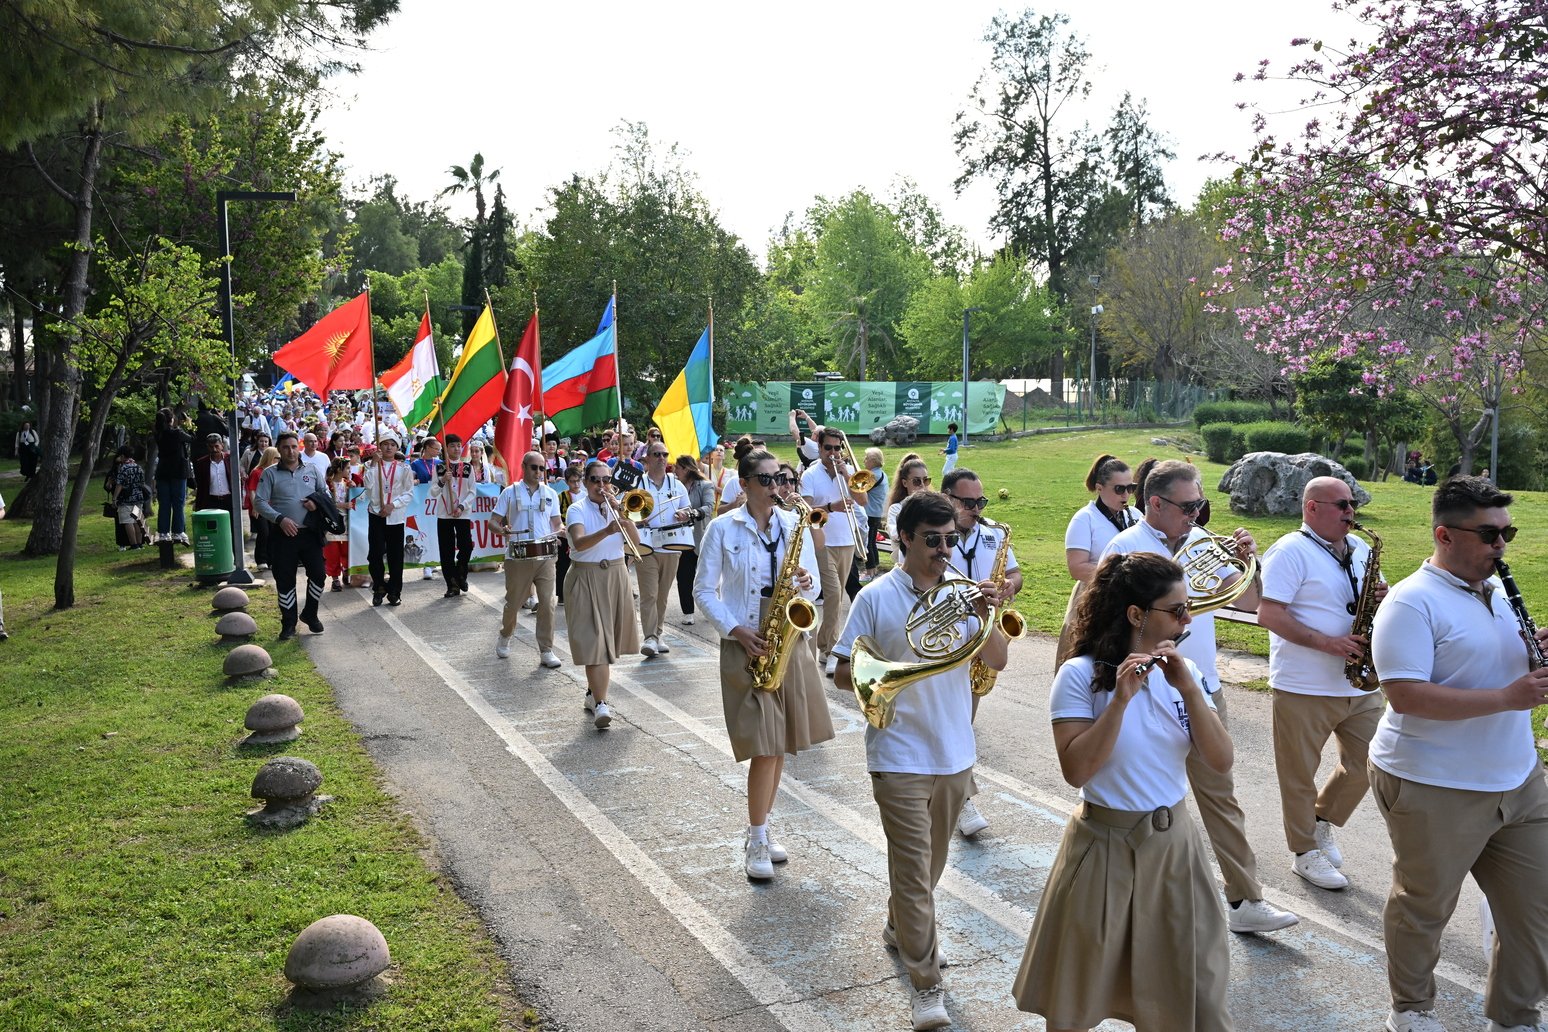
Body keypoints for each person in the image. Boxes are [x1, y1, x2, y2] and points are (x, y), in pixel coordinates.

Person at [1012, 552, 1234, 1032]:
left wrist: (1190, 691)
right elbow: (1076, 769)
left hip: (1175, 848)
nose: (1187, 619)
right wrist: (1119, 702)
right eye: (1176, 610)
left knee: (1198, 987)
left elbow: (1220, 760)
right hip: (1105, 846)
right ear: (1137, 614)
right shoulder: (1080, 675)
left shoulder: (1186, 674)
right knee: (1077, 992)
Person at [1369, 476, 1548, 1032]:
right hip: (1434, 781)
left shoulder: (1496, 592)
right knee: (1424, 906)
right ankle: (1411, 1011)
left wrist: (1532, 653)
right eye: (1489, 535)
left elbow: (1484, 662)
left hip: (1517, 777)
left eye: (1507, 533)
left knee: (1535, 908)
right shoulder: (1410, 602)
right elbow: (1406, 695)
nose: (1501, 546)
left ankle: (1514, 1015)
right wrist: (1508, 697)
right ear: (1444, 535)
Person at [833, 491, 1009, 1032]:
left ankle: (899, 927)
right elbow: (842, 673)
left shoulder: (963, 593)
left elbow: (997, 660)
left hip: (954, 752)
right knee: (913, 871)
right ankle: (926, 984)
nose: (943, 550)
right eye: (932, 540)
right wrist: (890, 671)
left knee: (929, 868)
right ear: (904, 539)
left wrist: (989, 615)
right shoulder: (875, 597)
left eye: (950, 540)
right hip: (898, 753)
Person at [1101, 458, 1298, 935]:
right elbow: (1103, 620)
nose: (1196, 514)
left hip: (1201, 685)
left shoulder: (1203, 542)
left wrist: (1248, 563)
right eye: (1188, 506)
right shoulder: (1124, 548)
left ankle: (1246, 899)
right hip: (1145, 690)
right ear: (1155, 503)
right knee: (1142, 796)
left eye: (1200, 505)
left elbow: (1250, 602)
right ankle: (1129, 902)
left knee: (1220, 795)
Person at [694, 449, 834, 880]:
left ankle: (762, 826)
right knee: (764, 746)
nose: (778, 487)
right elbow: (704, 591)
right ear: (745, 484)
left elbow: (811, 590)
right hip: (747, 643)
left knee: (779, 744)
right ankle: (756, 837)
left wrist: (805, 584)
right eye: (768, 479)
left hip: (787, 641)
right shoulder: (722, 528)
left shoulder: (794, 524)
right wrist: (736, 630)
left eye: (782, 479)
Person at [1256, 476, 1384, 893]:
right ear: (1312, 508)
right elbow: (1269, 614)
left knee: (1373, 763)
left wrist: (1380, 598)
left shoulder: (1360, 547)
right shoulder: (1289, 551)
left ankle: (1321, 819)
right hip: (1304, 684)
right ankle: (1304, 851)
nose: (1351, 511)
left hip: (1358, 682)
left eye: (1352, 504)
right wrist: (1327, 643)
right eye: (1341, 504)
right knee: (1299, 775)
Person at [942, 467, 1025, 839]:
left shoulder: (994, 533)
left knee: (963, 723)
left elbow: (1016, 573)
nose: (976, 509)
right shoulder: (935, 535)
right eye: (968, 502)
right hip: (944, 635)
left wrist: (1009, 586)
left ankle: (956, 795)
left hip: (983, 634)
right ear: (948, 498)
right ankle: (961, 800)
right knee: (951, 722)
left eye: (981, 501)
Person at [564, 459, 643, 728]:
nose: (601, 485)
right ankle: (601, 704)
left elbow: (636, 543)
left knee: (607, 641)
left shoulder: (617, 507)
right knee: (595, 643)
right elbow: (578, 542)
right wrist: (607, 530)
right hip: (586, 576)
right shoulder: (576, 509)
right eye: (595, 480)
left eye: (606, 480)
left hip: (616, 574)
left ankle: (592, 693)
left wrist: (623, 515)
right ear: (585, 483)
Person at [1057, 454, 1139, 667]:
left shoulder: (1135, 515)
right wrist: (1124, 576)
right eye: (1119, 489)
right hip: (1094, 599)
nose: (1126, 495)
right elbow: (1077, 568)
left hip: (1130, 600)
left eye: (1131, 488)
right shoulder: (1084, 518)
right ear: (1099, 488)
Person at [801, 427, 867, 678]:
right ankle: (831, 650)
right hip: (822, 542)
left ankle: (823, 643)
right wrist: (831, 507)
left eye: (837, 448)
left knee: (835, 599)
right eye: (828, 448)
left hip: (847, 540)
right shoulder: (810, 474)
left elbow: (863, 501)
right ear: (819, 448)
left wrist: (847, 476)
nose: (833, 453)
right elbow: (805, 509)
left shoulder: (847, 471)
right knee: (833, 593)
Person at [490, 450, 563, 669]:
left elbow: (557, 523)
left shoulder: (551, 493)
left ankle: (546, 649)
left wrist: (560, 531)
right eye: (534, 467)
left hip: (545, 555)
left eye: (542, 468)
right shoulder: (509, 492)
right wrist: (502, 530)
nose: (538, 472)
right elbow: (492, 522)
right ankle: (505, 634)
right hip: (518, 556)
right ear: (523, 467)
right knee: (513, 604)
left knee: (547, 603)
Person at [254, 432, 327, 640]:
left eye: (294, 446)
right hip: (283, 535)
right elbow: (259, 502)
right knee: (285, 580)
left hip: (310, 533)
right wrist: (280, 519)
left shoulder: (312, 470)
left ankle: (310, 613)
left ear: (299, 447)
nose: (291, 451)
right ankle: (288, 624)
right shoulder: (269, 473)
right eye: (286, 447)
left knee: (319, 575)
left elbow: (325, 494)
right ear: (279, 449)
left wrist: (316, 504)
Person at [634, 440, 689, 657]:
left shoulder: (676, 484)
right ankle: (650, 637)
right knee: (649, 593)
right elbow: (625, 511)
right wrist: (638, 519)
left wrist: (684, 514)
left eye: (664, 454)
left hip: (671, 544)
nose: (661, 458)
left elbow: (687, 507)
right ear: (647, 458)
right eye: (656, 454)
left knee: (662, 595)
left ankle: (658, 633)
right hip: (646, 545)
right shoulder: (638, 483)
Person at [362, 435, 414, 607]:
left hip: (395, 516)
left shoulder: (404, 468)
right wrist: (373, 464)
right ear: (380, 447)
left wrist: (393, 505)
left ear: (397, 448)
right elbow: (368, 487)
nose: (389, 448)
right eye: (385, 444)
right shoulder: (371, 466)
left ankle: (394, 591)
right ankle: (379, 587)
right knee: (375, 554)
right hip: (376, 514)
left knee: (396, 556)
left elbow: (408, 493)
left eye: (392, 445)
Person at [673, 455, 718, 627]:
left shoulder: (705, 485)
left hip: (701, 537)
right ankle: (688, 612)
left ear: (686, 469)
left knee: (707, 577)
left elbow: (709, 507)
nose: (675, 471)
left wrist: (691, 513)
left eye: (677, 468)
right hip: (682, 538)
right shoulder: (675, 486)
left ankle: (710, 609)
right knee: (684, 576)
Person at [435, 434, 476, 598]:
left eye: (459, 445)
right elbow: (432, 492)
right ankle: (451, 584)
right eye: (452, 446)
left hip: (462, 514)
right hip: (444, 514)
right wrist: (442, 480)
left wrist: (461, 506)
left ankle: (461, 574)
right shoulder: (439, 468)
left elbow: (472, 491)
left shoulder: (467, 467)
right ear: (446, 449)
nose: (456, 449)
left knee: (466, 546)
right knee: (446, 550)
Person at [153, 406, 194, 545]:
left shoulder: (158, 434)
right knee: (178, 503)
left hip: (162, 471)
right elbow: (192, 439)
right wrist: (189, 424)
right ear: (171, 420)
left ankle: (163, 533)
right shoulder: (177, 433)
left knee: (164, 503)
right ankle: (178, 531)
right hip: (178, 471)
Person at [323, 457, 356, 592]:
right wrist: (343, 505)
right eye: (347, 468)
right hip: (332, 522)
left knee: (347, 549)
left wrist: (354, 489)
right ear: (338, 469)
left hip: (347, 521)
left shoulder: (348, 484)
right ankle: (335, 578)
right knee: (332, 551)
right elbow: (325, 503)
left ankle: (347, 571)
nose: (349, 471)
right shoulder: (327, 485)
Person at [245, 446, 279, 571]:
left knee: (272, 533)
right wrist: (255, 507)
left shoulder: (275, 471)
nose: (278, 460)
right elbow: (252, 490)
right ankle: (261, 560)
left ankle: (271, 560)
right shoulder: (257, 472)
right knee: (264, 533)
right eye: (276, 458)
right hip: (260, 507)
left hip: (272, 508)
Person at [555, 464, 585, 605]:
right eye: (573, 481)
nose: (576, 484)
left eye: (578, 481)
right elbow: (556, 516)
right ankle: (561, 594)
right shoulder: (561, 497)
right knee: (562, 564)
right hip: (565, 534)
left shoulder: (586, 496)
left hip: (582, 534)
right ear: (567, 482)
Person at [112, 444, 150, 549]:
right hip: (138, 497)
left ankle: (134, 544)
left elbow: (119, 484)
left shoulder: (123, 468)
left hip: (126, 499)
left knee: (128, 521)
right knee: (137, 521)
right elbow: (142, 482)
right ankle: (139, 543)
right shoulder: (138, 467)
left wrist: (115, 498)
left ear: (122, 456)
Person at [861, 447, 889, 584]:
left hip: (870, 513)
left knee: (867, 543)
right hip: (875, 513)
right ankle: (874, 570)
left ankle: (869, 572)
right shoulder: (881, 473)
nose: (864, 461)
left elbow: (857, 488)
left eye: (866, 458)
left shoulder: (873, 476)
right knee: (872, 542)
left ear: (873, 461)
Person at [193, 434, 234, 514]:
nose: (214, 449)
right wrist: (198, 504)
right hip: (211, 502)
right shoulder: (202, 463)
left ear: (222, 445)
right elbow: (201, 486)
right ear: (207, 447)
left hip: (229, 501)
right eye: (211, 447)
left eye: (216, 446)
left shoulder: (231, 459)